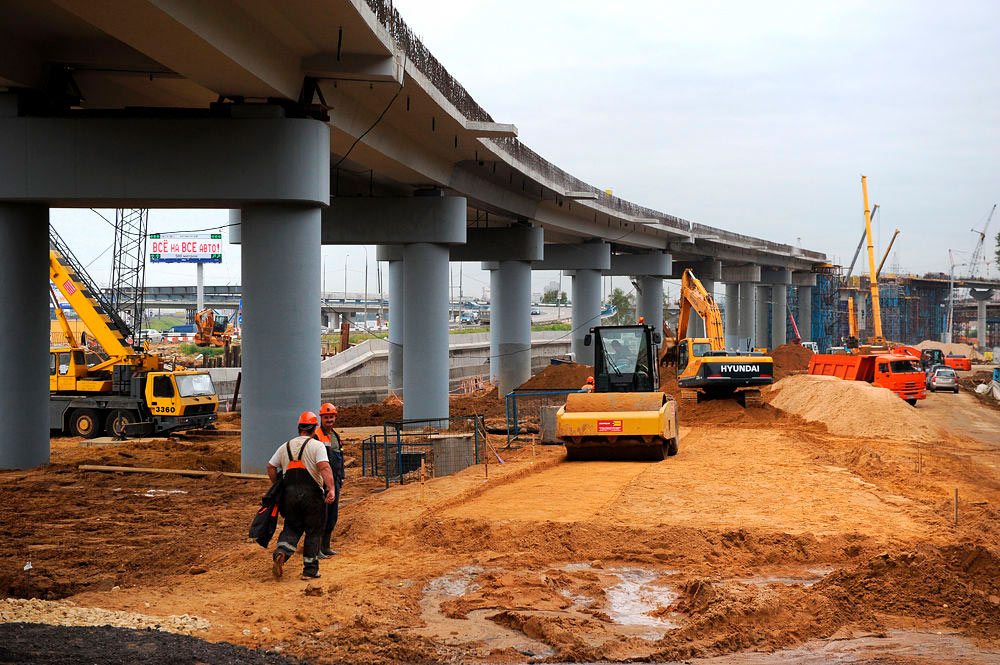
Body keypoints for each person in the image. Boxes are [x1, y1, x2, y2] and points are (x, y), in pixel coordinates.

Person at [266, 411, 337, 580]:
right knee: (313, 530)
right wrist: (331, 489)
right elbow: (325, 468)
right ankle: (310, 570)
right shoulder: (317, 446)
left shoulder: (285, 446)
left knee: (291, 527)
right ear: (314, 429)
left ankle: (281, 552)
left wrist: (277, 485)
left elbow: (270, 467)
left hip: (289, 497)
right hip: (312, 497)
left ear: (299, 428)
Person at [315, 402, 344, 557]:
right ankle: (317, 548)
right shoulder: (316, 435)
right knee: (322, 515)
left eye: (331, 417)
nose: (329, 420)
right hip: (322, 481)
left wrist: (342, 476)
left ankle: (326, 546)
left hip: (336, 480)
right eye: (326, 417)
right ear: (321, 418)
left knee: (332, 515)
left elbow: (340, 456)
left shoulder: (336, 435)